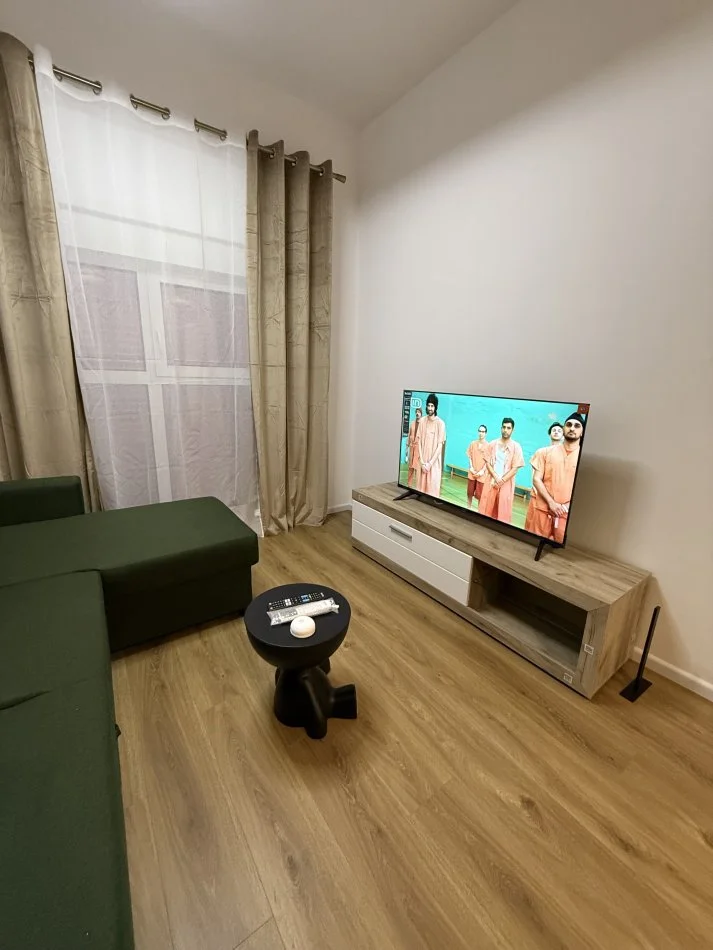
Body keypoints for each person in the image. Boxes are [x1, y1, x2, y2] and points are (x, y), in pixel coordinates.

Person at [529, 412, 585, 543]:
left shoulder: (585, 459)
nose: (572, 428)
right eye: (569, 425)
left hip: (566, 515)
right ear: (564, 428)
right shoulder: (544, 452)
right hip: (543, 510)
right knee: (532, 544)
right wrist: (551, 503)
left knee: (560, 550)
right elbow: (536, 479)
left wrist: (565, 507)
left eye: (577, 426)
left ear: (582, 432)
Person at [478, 418, 525, 523]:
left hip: (506, 483)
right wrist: (495, 476)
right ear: (501, 428)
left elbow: (515, 468)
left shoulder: (516, 447)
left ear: (512, 430)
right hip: (491, 481)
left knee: (503, 512)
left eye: (508, 428)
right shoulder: (492, 444)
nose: (505, 430)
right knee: (486, 508)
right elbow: (487, 463)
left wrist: (502, 480)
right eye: (504, 427)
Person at [524, 422, 564, 532]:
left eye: (559, 431)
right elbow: (534, 473)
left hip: (556, 499)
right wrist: (537, 490)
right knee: (531, 524)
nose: (556, 432)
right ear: (549, 434)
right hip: (537, 495)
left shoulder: (565, 456)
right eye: (554, 430)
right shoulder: (542, 452)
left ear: (563, 435)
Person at [417, 394, 446, 497]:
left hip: (433, 465)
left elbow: (439, 446)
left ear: (435, 407)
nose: (430, 408)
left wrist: (429, 464)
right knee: (420, 492)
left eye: (432, 406)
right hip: (422, 464)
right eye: (428, 405)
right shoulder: (422, 421)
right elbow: (419, 442)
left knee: (431, 493)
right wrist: (422, 462)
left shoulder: (441, 424)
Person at [465, 424, 489, 508]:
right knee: (469, 493)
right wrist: (471, 467)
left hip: (481, 475)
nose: (481, 433)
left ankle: (479, 512)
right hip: (472, 473)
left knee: (480, 496)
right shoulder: (473, 443)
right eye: (480, 431)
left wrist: (482, 471)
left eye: (483, 431)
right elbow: (470, 456)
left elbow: (488, 461)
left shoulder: (488, 446)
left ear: (485, 433)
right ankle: (468, 509)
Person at [406, 408, 422, 487]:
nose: (417, 413)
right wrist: (407, 447)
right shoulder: (412, 423)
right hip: (412, 448)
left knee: (417, 467)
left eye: (419, 412)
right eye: (416, 412)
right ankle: (409, 484)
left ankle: (418, 486)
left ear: (421, 414)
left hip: (418, 449)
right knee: (410, 467)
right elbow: (409, 435)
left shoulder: (423, 424)